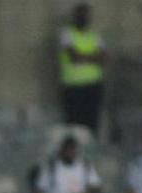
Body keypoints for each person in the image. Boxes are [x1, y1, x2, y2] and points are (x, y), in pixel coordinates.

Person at [59, 3, 106, 132]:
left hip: (93, 85)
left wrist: (83, 58)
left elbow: (103, 58)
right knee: (74, 124)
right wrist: (92, 57)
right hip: (74, 86)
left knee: (91, 123)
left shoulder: (94, 35)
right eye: (80, 14)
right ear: (75, 16)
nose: (83, 18)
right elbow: (74, 57)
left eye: (86, 15)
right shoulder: (67, 34)